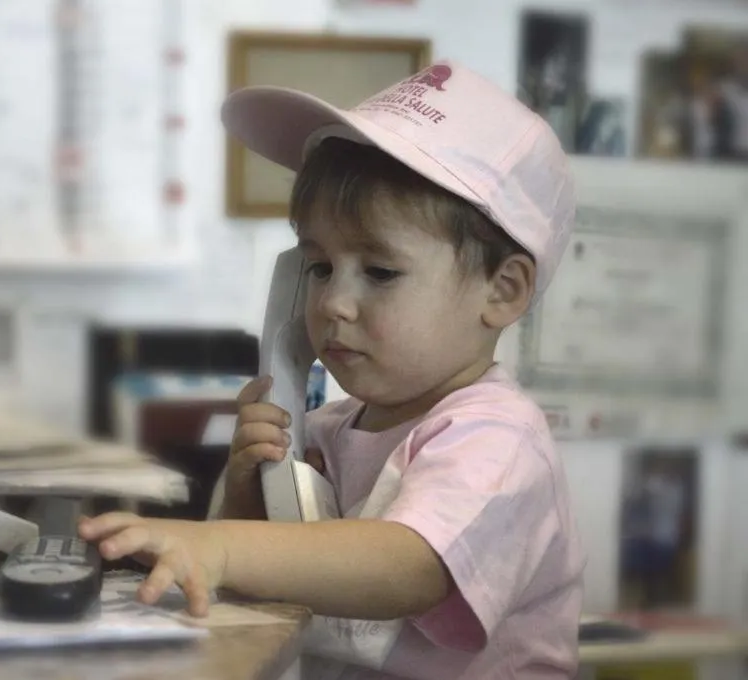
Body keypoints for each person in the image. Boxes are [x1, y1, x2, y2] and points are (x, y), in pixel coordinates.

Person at [78, 60, 586, 679]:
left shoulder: (498, 440)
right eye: (318, 267)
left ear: (502, 290)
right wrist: (247, 489)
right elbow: (271, 587)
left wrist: (220, 548)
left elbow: (409, 567)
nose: (331, 303)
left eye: (379, 271)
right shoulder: (325, 429)